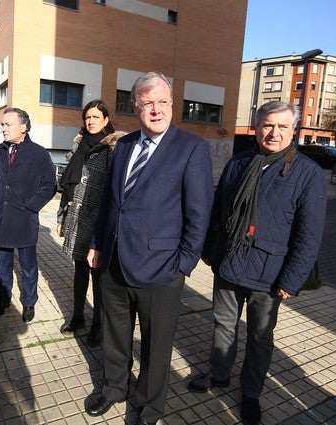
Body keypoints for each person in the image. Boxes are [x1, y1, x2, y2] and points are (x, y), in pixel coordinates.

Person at [83, 72, 213, 425]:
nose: (156, 110)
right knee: (115, 333)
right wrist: (96, 243)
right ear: (135, 107)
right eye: (147, 103)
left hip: (162, 268)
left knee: (157, 346)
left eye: (162, 102)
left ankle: (150, 405)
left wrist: (183, 264)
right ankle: (114, 388)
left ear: (172, 105)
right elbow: (110, 203)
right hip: (114, 262)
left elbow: (199, 214)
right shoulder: (123, 146)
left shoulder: (192, 148)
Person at [187, 101, 327, 425]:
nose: (273, 132)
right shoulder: (238, 163)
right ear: (257, 127)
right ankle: (220, 374)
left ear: (294, 131)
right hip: (229, 263)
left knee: (259, 337)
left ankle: (250, 393)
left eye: (282, 127)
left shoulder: (307, 173)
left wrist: (291, 281)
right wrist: (209, 248)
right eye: (267, 125)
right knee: (223, 325)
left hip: (270, 272)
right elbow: (217, 210)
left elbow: (310, 235)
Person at [56, 100, 125, 347]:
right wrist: (62, 216)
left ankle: (98, 324)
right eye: (88, 117)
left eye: (96, 117)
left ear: (106, 120)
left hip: (98, 222)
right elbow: (68, 185)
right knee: (79, 272)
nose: (91, 121)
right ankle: (77, 318)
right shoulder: (79, 146)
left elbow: (115, 191)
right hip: (76, 218)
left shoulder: (112, 149)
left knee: (98, 277)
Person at [0, 107, 56, 322]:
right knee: (2, 266)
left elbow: (49, 186)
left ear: (24, 127)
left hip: (25, 219)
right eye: (2, 124)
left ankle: (29, 302)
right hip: (1, 219)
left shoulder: (39, 154)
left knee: (28, 267)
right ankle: (4, 299)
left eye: (8, 124)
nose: (3, 128)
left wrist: (31, 206)